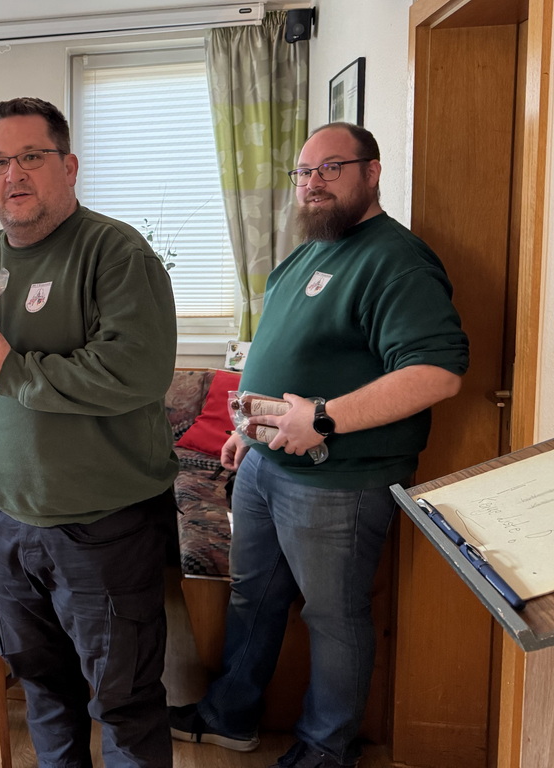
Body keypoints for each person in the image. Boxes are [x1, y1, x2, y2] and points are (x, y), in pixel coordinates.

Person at [168, 122, 469, 768]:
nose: (313, 183)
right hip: (265, 467)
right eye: (304, 172)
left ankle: (326, 749)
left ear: (372, 171)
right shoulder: (308, 254)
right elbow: (280, 357)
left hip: (339, 481)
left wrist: (325, 418)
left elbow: (437, 373)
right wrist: (247, 431)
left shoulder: (397, 260)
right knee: (253, 597)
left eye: (331, 168)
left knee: (332, 618)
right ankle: (230, 715)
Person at [0, 96, 180, 767]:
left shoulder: (115, 252)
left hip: (103, 529)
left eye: (31, 157)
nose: (12, 174)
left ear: (68, 166)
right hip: (6, 522)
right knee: (43, 696)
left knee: (124, 703)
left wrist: (14, 371)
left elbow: (137, 372)